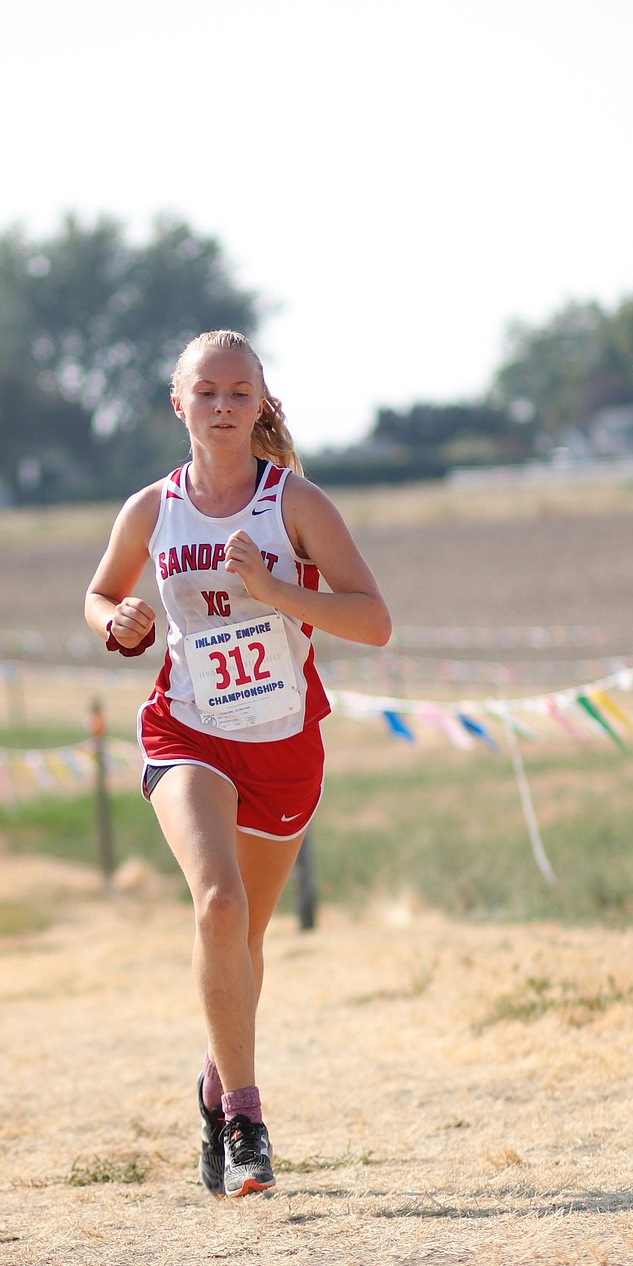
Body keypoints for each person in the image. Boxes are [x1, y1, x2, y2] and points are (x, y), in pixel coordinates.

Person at [85, 330, 391, 1199]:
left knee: (246, 940)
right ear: (177, 404)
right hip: (187, 732)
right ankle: (246, 1118)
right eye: (205, 393)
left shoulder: (296, 503)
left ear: (260, 404)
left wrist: (277, 592)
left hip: (284, 743)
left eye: (237, 393)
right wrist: (115, 622)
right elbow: (100, 589)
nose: (221, 407)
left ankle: (214, 1076)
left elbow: (373, 620)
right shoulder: (152, 508)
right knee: (217, 905)